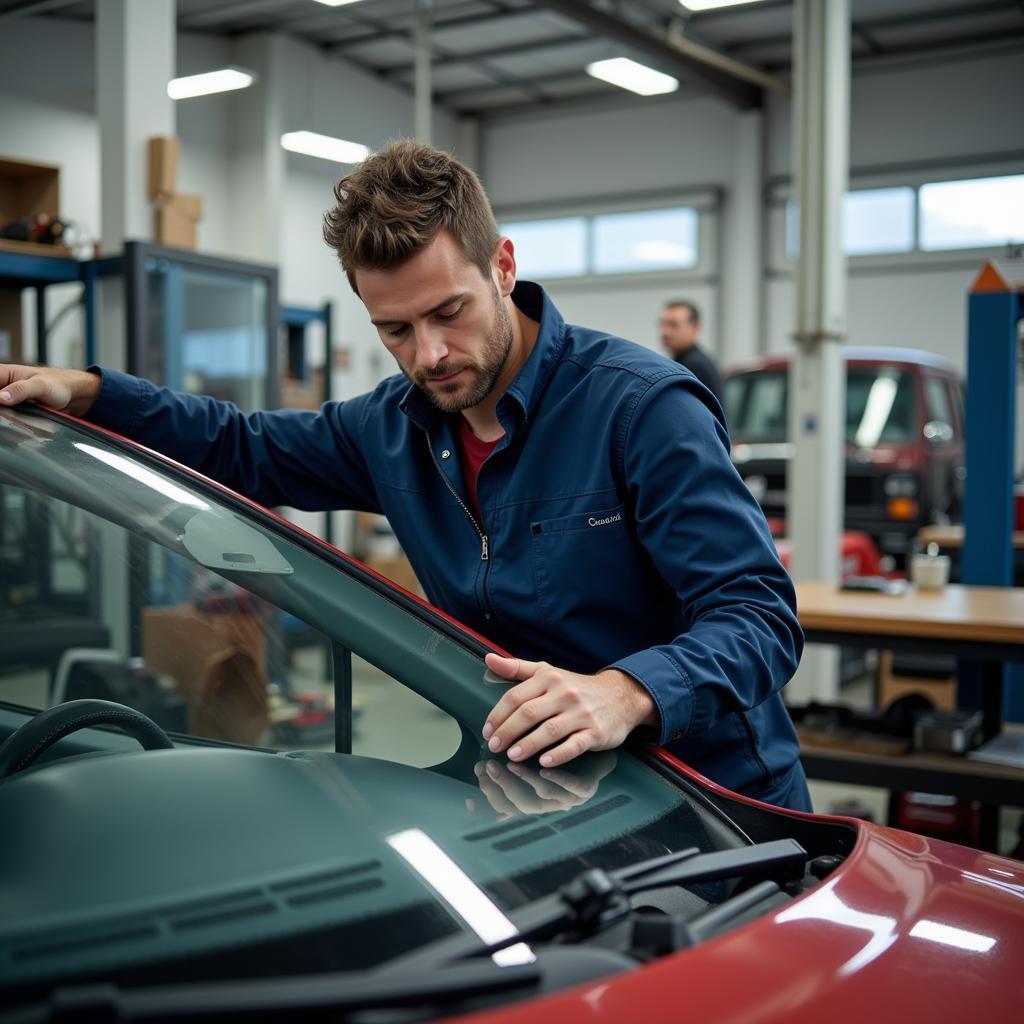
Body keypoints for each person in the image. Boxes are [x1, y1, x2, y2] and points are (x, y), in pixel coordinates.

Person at [0, 140, 809, 810]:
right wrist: (92, 394)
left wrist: (627, 692)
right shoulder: (390, 429)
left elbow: (760, 616)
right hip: (539, 803)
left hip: (718, 806)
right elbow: (240, 445)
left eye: (449, 312)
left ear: (502, 266)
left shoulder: (640, 410)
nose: (428, 355)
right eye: (395, 329)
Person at [659, 299, 725, 408]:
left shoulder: (695, 365)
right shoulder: (685, 361)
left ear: (695, 328)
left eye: (673, 325)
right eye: (663, 324)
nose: (665, 332)